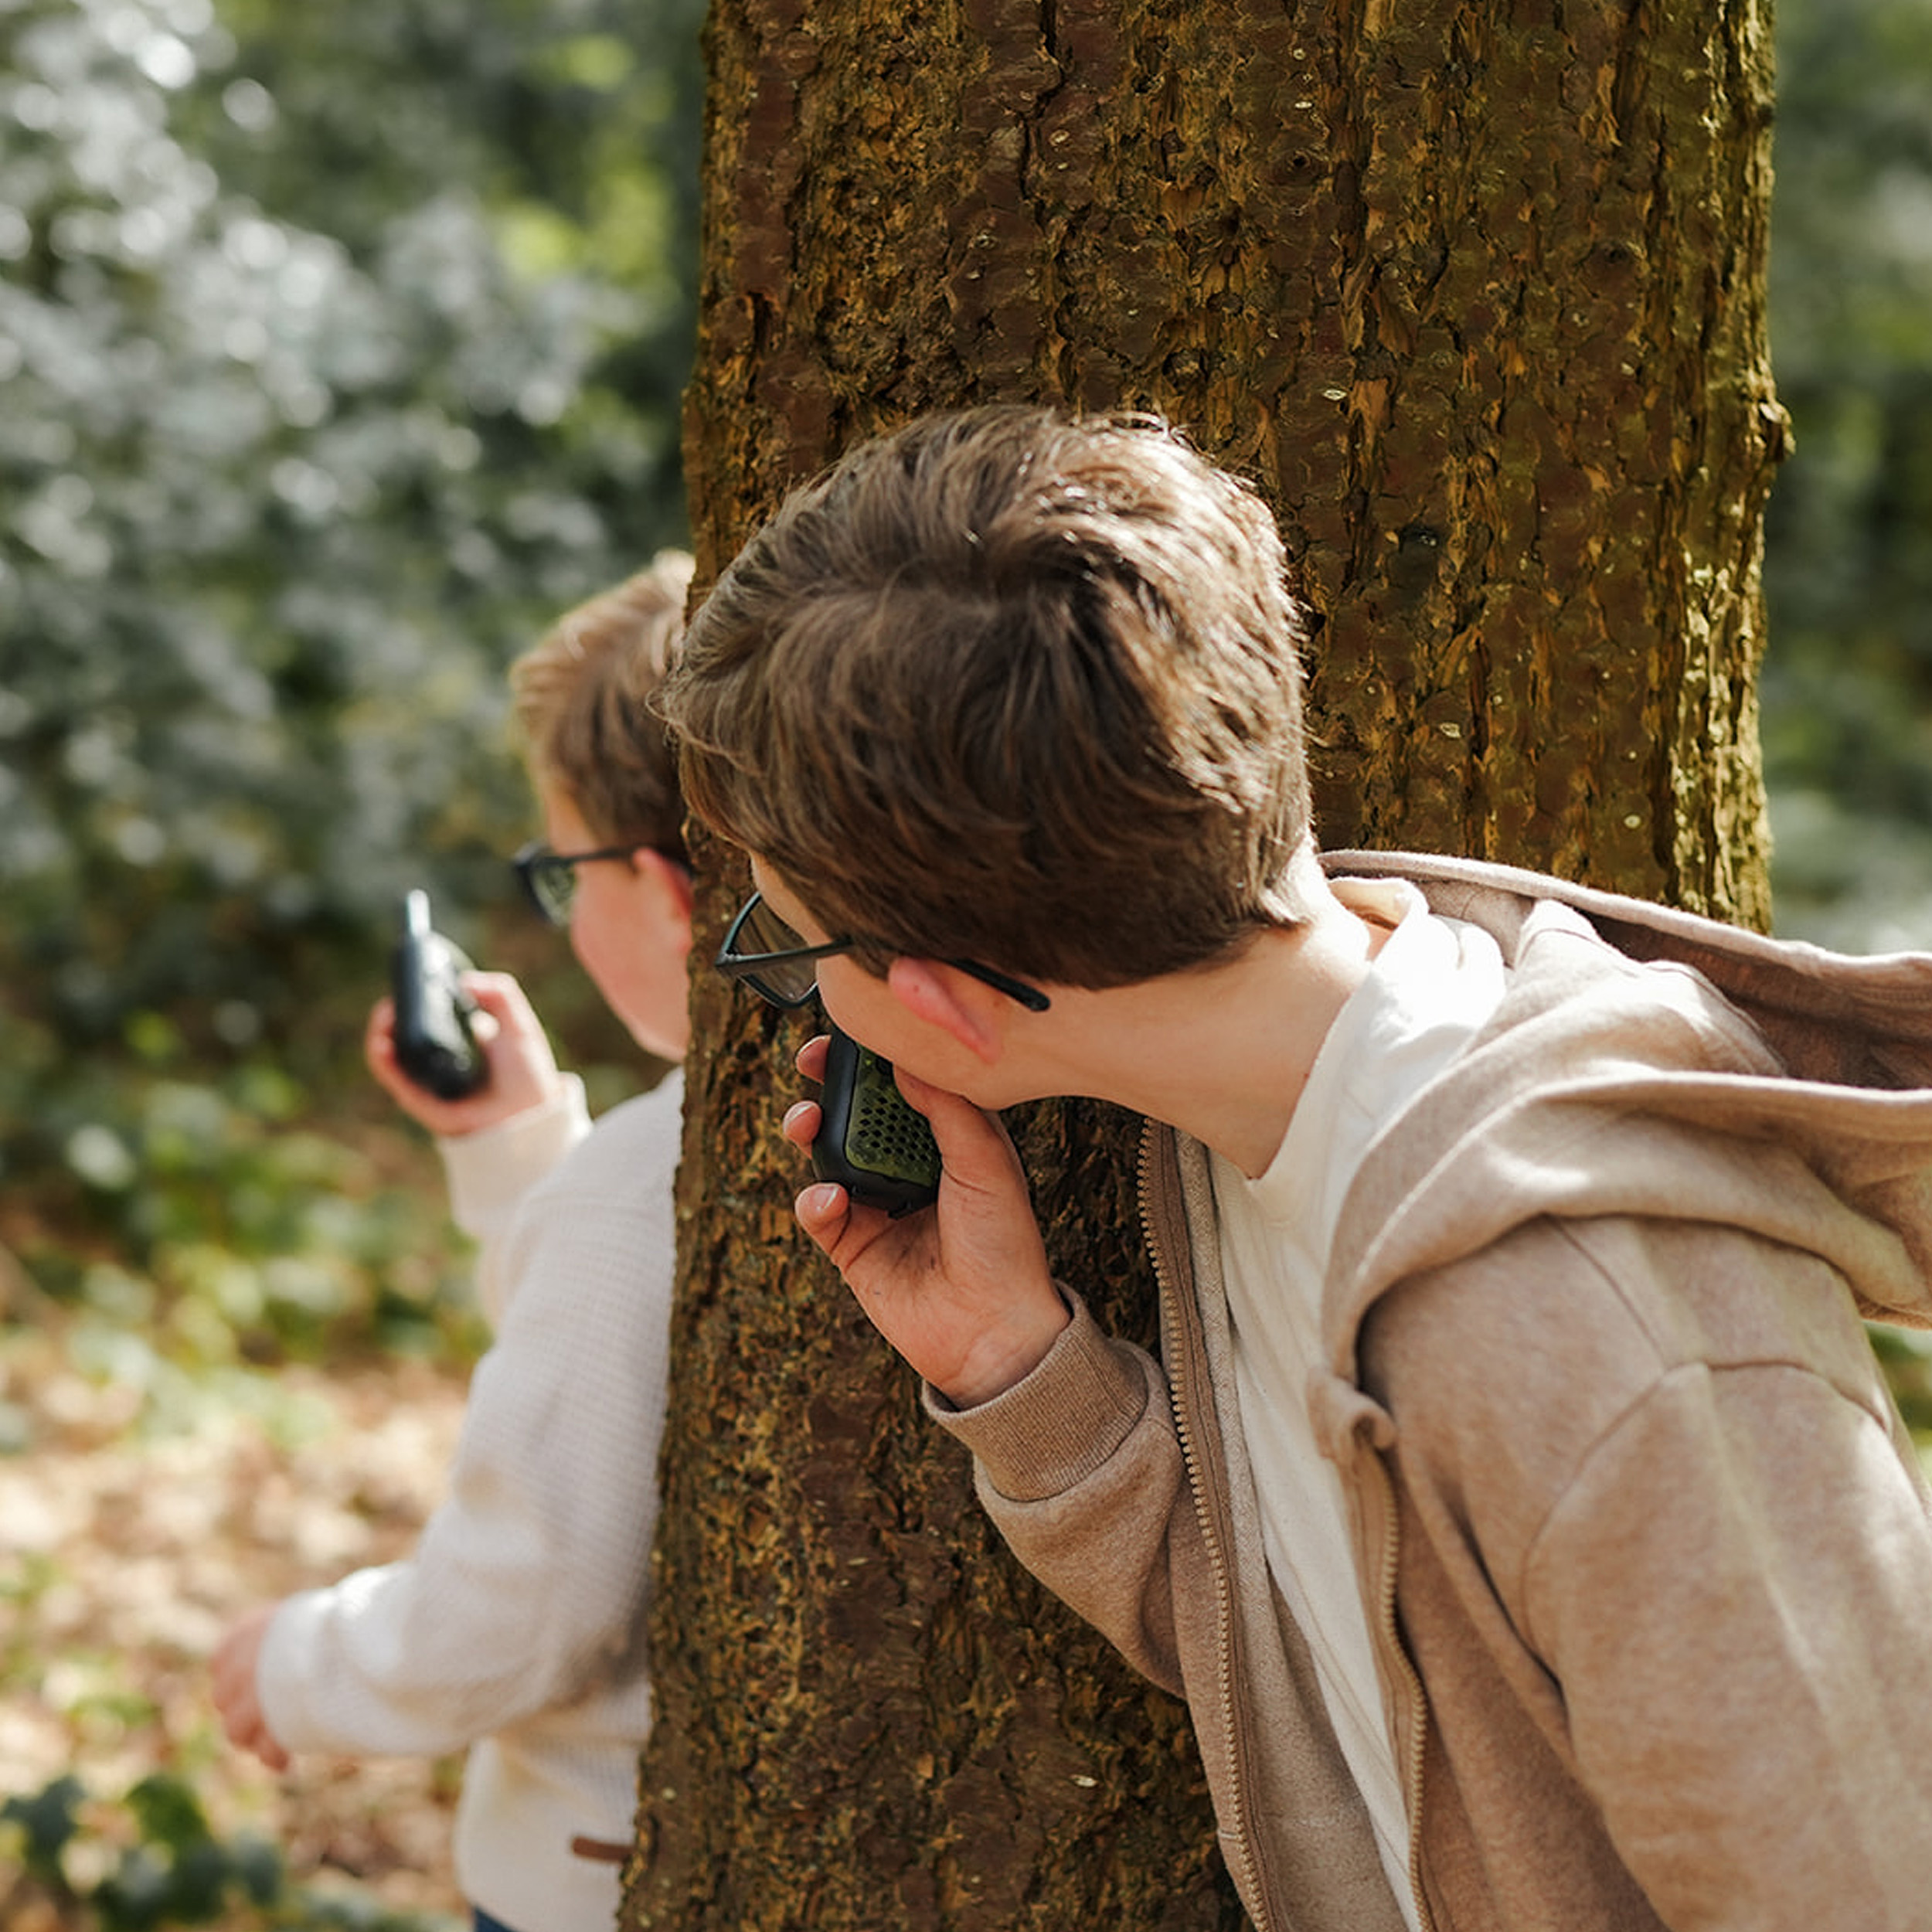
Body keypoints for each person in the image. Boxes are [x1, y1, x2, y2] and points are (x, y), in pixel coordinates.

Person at [652, 406, 1932, 1932]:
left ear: (930, 994)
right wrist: (1028, 1380)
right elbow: (1369, 1667)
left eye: (790, 945)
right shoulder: (1244, 1130)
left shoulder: (1596, 1338)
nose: (795, 988)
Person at [211, 552, 696, 1932]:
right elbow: (632, 1347)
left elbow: (523, 1604)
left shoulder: (633, 1192)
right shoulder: (859, 1112)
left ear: (661, 889)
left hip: (586, 1885)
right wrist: (518, 1148)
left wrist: (300, 1665)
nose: (561, 908)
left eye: (563, 873)